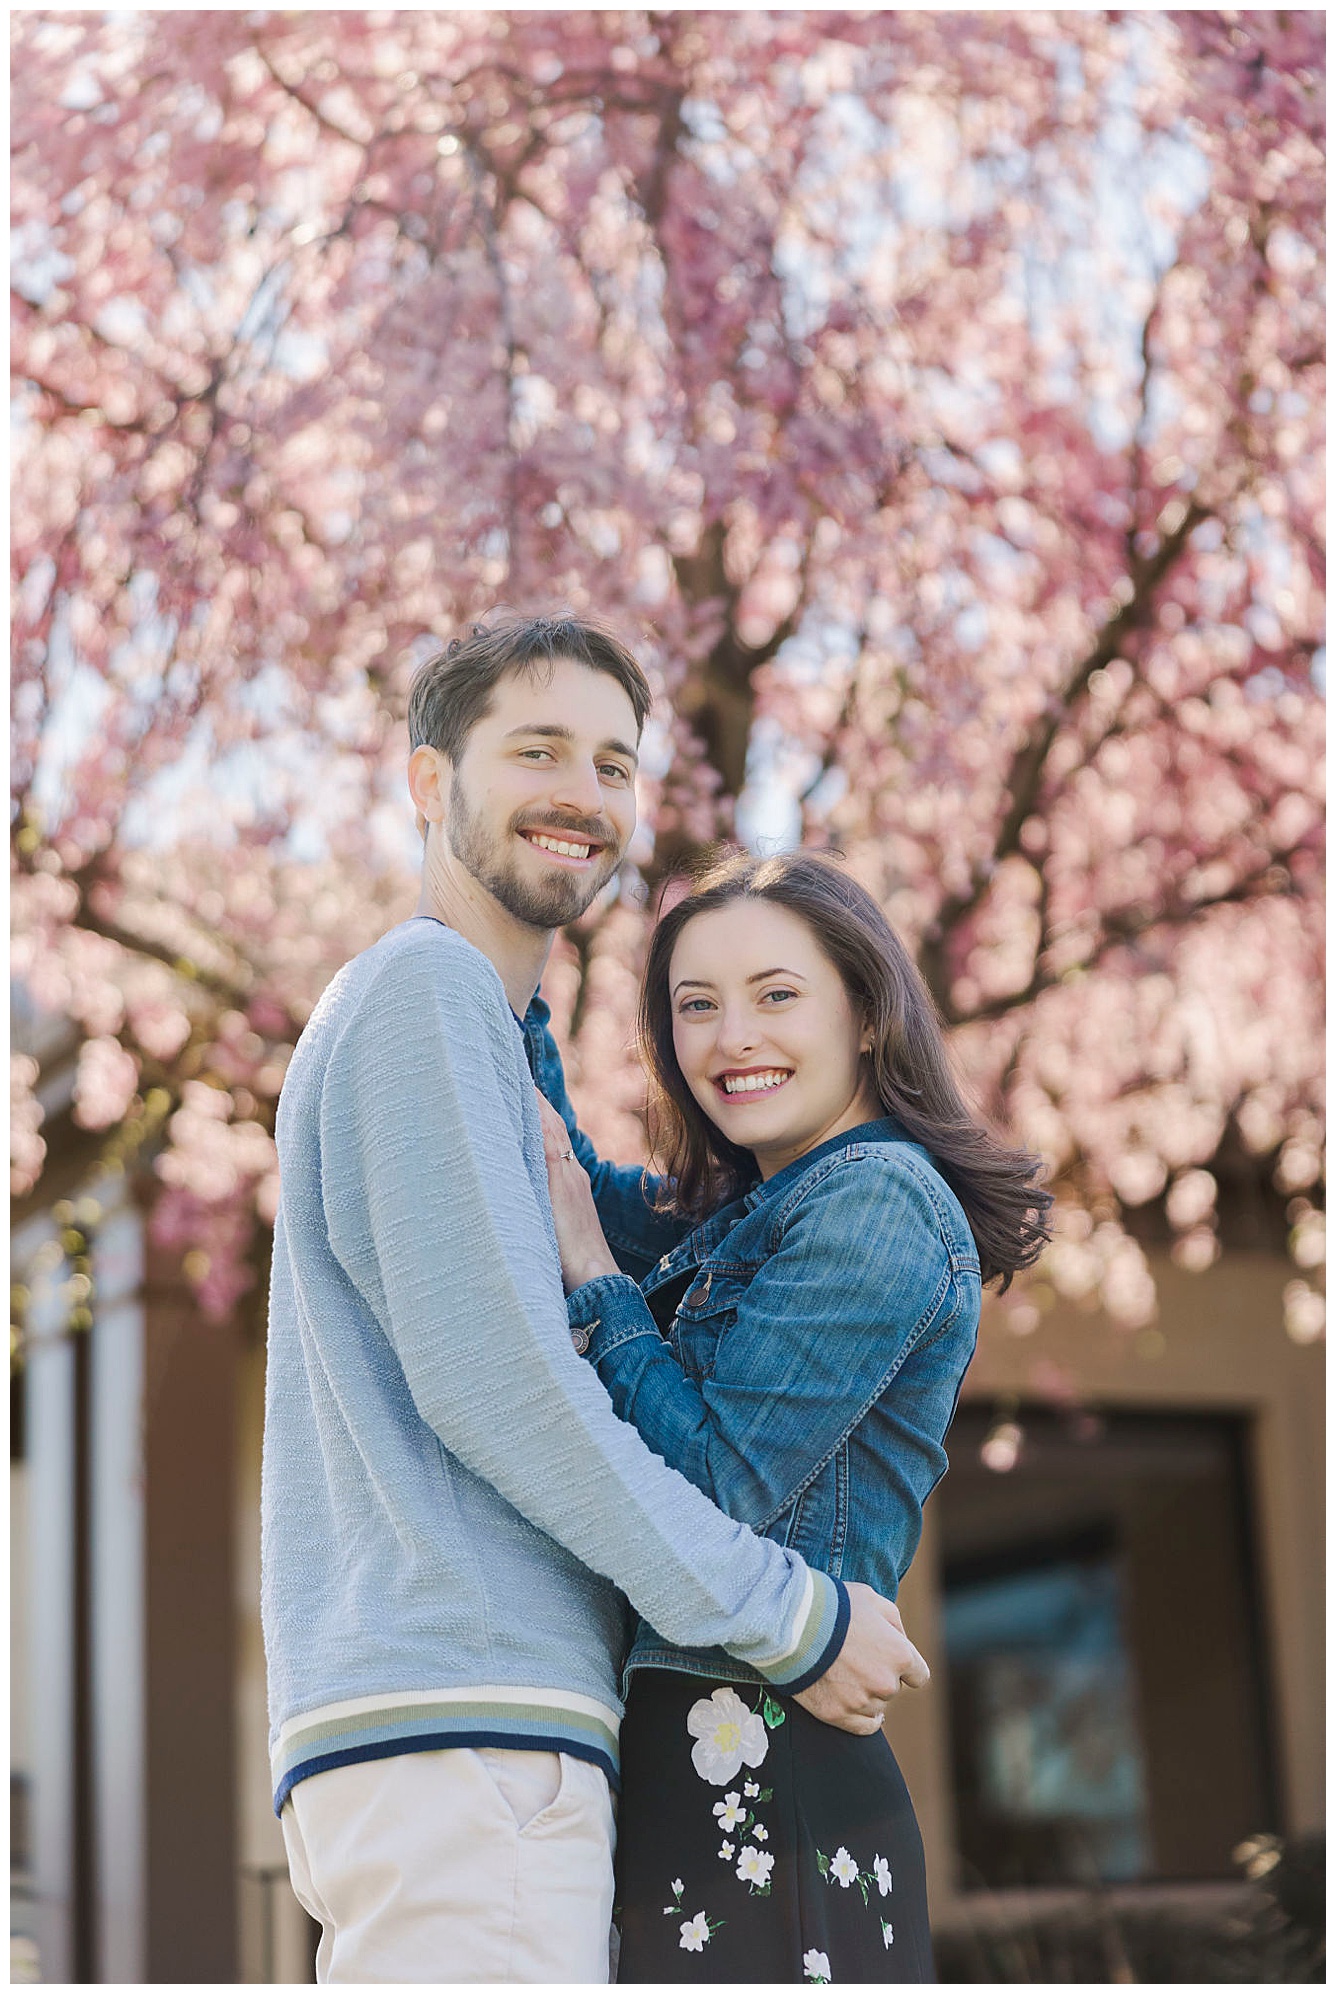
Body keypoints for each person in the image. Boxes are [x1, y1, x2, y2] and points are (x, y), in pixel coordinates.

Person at [262, 616, 926, 1983]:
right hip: (470, 1725)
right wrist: (791, 1616)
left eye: (614, 762)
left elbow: (622, 1233)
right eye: (538, 748)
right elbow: (503, 1385)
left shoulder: (478, 1027)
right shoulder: (426, 990)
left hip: (463, 1730)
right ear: (430, 782)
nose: (584, 789)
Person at [538, 849, 1052, 1981]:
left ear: (866, 1014)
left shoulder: (874, 1200)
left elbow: (715, 1489)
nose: (732, 1038)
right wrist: (510, 978)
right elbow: (559, 1172)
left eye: (776, 994)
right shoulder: (748, 1206)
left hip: (758, 1758)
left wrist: (591, 1274)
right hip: (704, 1740)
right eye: (695, 1005)